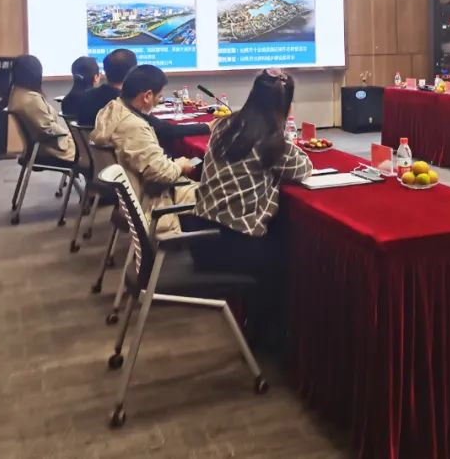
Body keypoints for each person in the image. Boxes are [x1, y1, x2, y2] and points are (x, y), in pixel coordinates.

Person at [191, 69, 313, 339]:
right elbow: (304, 168)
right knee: (291, 258)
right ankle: (264, 337)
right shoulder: (272, 139)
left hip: (200, 236)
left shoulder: (224, 125)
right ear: (286, 106)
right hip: (232, 245)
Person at [91, 65, 198, 237]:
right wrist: (180, 165)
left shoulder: (111, 110)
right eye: (159, 96)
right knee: (220, 195)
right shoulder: (133, 127)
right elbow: (162, 174)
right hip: (153, 201)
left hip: (133, 198)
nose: (159, 101)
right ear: (147, 96)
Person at [77, 48, 209, 141]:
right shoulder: (124, 104)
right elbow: (165, 130)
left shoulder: (87, 96)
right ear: (133, 73)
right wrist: (207, 126)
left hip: (101, 163)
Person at [7, 55, 76, 164]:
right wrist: (68, 133)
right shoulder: (31, 99)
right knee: (91, 153)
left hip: (40, 147)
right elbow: (48, 128)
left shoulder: (17, 93)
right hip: (52, 150)